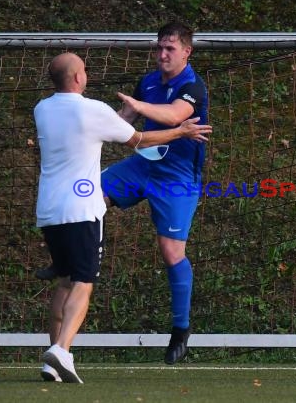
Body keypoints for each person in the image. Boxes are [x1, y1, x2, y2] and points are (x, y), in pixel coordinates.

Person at [35, 52, 211, 383]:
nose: (162, 54)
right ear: (77, 79)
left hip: (174, 177)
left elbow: (175, 114)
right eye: (160, 46)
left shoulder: (193, 86)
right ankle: (61, 347)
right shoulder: (139, 86)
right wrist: (133, 114)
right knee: (82, 268)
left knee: (171, 250)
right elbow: (131, 129)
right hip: (139, 166)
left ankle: (181, 329)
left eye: (170, 48)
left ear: (186, 51)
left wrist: (135, 111)